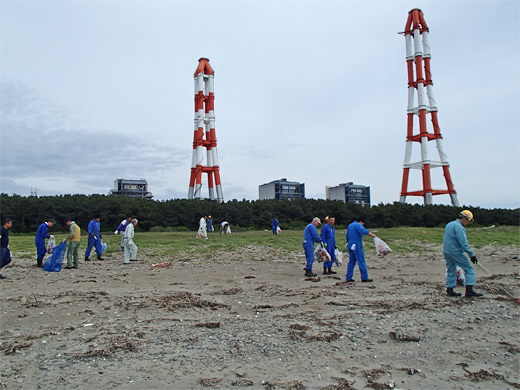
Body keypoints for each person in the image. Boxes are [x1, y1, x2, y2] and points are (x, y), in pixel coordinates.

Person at [444, 210, 483, 298]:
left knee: (451, 270)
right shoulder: (459, 227)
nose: (468, 223)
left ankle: (450, 290)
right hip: (455, 252)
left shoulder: (449, 224)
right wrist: (472, 255)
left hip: (447, 251)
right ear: (465, 219)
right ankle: (469, 290)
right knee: (469, 269)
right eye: (469, 221)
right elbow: (463, 243)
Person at [346, 216, 376, 282]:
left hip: (350, 245)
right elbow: (364, 231)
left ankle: (348, 277)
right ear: (361, 222)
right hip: (357, 245)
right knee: (361, 261)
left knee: (351, 262)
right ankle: (364, 277)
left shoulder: (350, 225)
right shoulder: (358, 225)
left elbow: (347, 236)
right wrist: (372, 235)